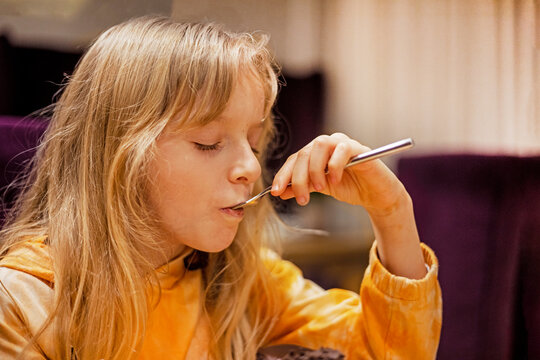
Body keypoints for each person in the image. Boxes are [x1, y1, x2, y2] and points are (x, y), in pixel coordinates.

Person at [0, 16, 441, 360]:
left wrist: (392, 211)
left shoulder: (241, 281)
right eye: (208, 143)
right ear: (116, 155)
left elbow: (387, 349)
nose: (251, 167)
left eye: (253, 142)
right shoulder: (23, 303)